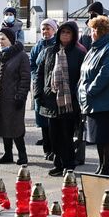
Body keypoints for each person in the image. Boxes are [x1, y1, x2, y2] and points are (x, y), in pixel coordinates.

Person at [36, 21, 85, 175]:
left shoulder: (79, 53)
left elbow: (82, 78)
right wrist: (39, 93)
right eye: (62, 32)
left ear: (74, 35)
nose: (64, 35)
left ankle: (69, 165)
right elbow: (40, 73)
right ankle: (58, 163)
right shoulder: (49, 51)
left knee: (67, 135)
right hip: (50, 99)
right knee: (53, 135)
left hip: (69, 102)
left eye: (68, 32)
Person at [80, 15, 109, 175]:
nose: (90, 33)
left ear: (99, 31)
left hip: (105, 100)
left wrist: (89, 90)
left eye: (92, 30)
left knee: (105, 136)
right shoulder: (95, 47)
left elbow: (105, 74)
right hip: (94, 100)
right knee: (98, 136)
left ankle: (106, 167)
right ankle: (101, 165)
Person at [0, 26, 31, 164]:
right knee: (3, 126)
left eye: (3, 39)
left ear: (11, 40)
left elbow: (25, 78)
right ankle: (8, 154)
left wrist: (21, 96)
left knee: (15, 128)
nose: (1, 42)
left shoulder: (21, 56)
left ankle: (22, 155)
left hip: (13, 98)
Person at [29, 18, 58, 155]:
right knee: (41, 118)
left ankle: (54, 148)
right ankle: (47, 147)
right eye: (43, 29)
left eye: (48, 28)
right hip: (39, 83)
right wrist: (36, 75)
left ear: (54, 30)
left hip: (52, 85)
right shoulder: (37, 46)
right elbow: (32, 64)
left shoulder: (57, 44)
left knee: (52, 120)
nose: (45, 31)